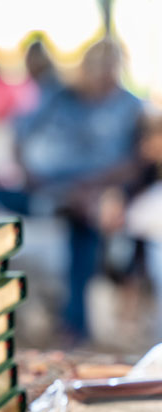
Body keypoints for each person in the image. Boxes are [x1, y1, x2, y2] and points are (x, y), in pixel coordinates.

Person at [13, 39, 143, 341]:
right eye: (96, 66)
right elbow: (21, 139)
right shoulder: (59, 97)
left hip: (97, 191)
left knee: (83, 216)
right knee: (0, 196)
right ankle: (53, 202)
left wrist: (89, 187)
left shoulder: (131, 105)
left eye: (109, 66)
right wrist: (33, 176)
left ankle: (75, 324)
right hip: (48, 185)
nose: (102, 74)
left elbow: (136, 161)